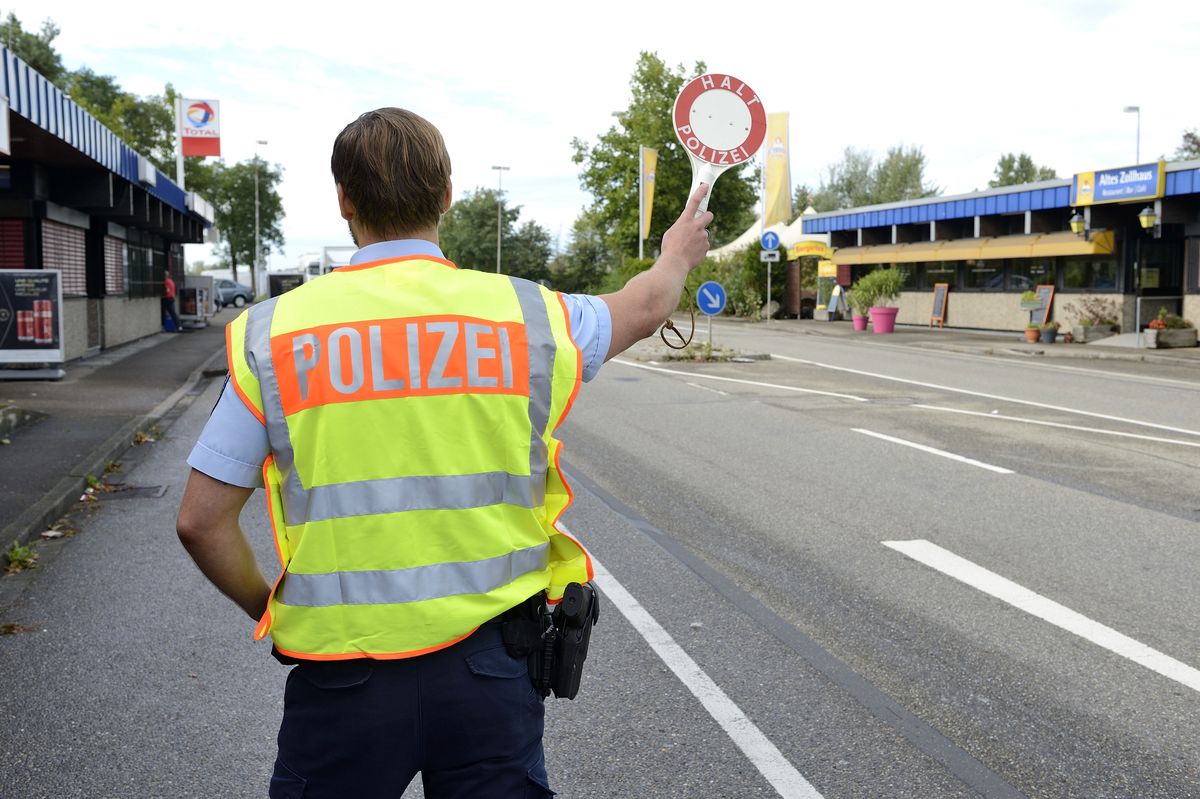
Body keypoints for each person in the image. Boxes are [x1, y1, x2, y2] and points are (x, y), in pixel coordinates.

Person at [175, 107, 713, 798]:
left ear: (343, 200)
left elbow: (200, 519)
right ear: (448, 195)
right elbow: (643, 306)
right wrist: (676, 254)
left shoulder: (272, 333)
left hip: (343, 678)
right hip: (490, 674)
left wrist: (271, 609)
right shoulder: (528, 316)